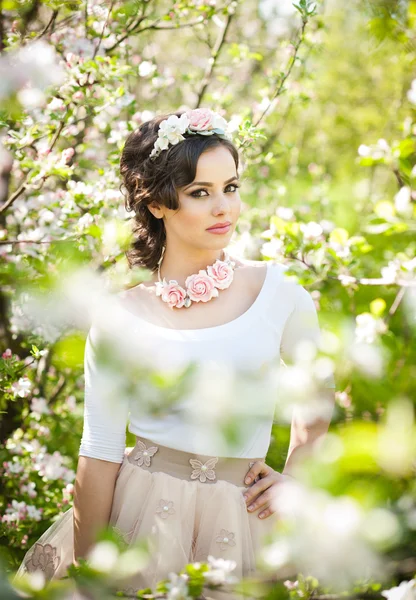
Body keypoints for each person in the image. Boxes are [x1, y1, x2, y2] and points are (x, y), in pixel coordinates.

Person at [14, 108, 336, 598]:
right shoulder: (120, 317)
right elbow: (98, 454)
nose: (223, 208)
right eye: (200, 193)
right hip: (140, 517)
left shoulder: (279, 293)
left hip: (243, 518)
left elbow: (317, 397)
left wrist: (298, 479)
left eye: (230, 187)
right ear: (157, 203)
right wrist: (90, 573)